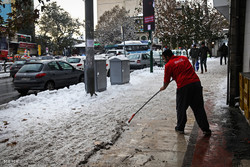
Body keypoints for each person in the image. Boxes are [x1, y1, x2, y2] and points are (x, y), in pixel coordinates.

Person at [160, 49, 211, 136]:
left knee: (181, 108)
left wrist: (164, 87)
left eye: (164, 58)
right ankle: (206, 129)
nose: (164, 60)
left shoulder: (169, 65)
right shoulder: (184, 58)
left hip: (183, 87)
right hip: (196, 83)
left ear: (168, 57)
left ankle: (180, 128)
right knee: (198, 108)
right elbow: (187, 69)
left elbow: (166, 80)